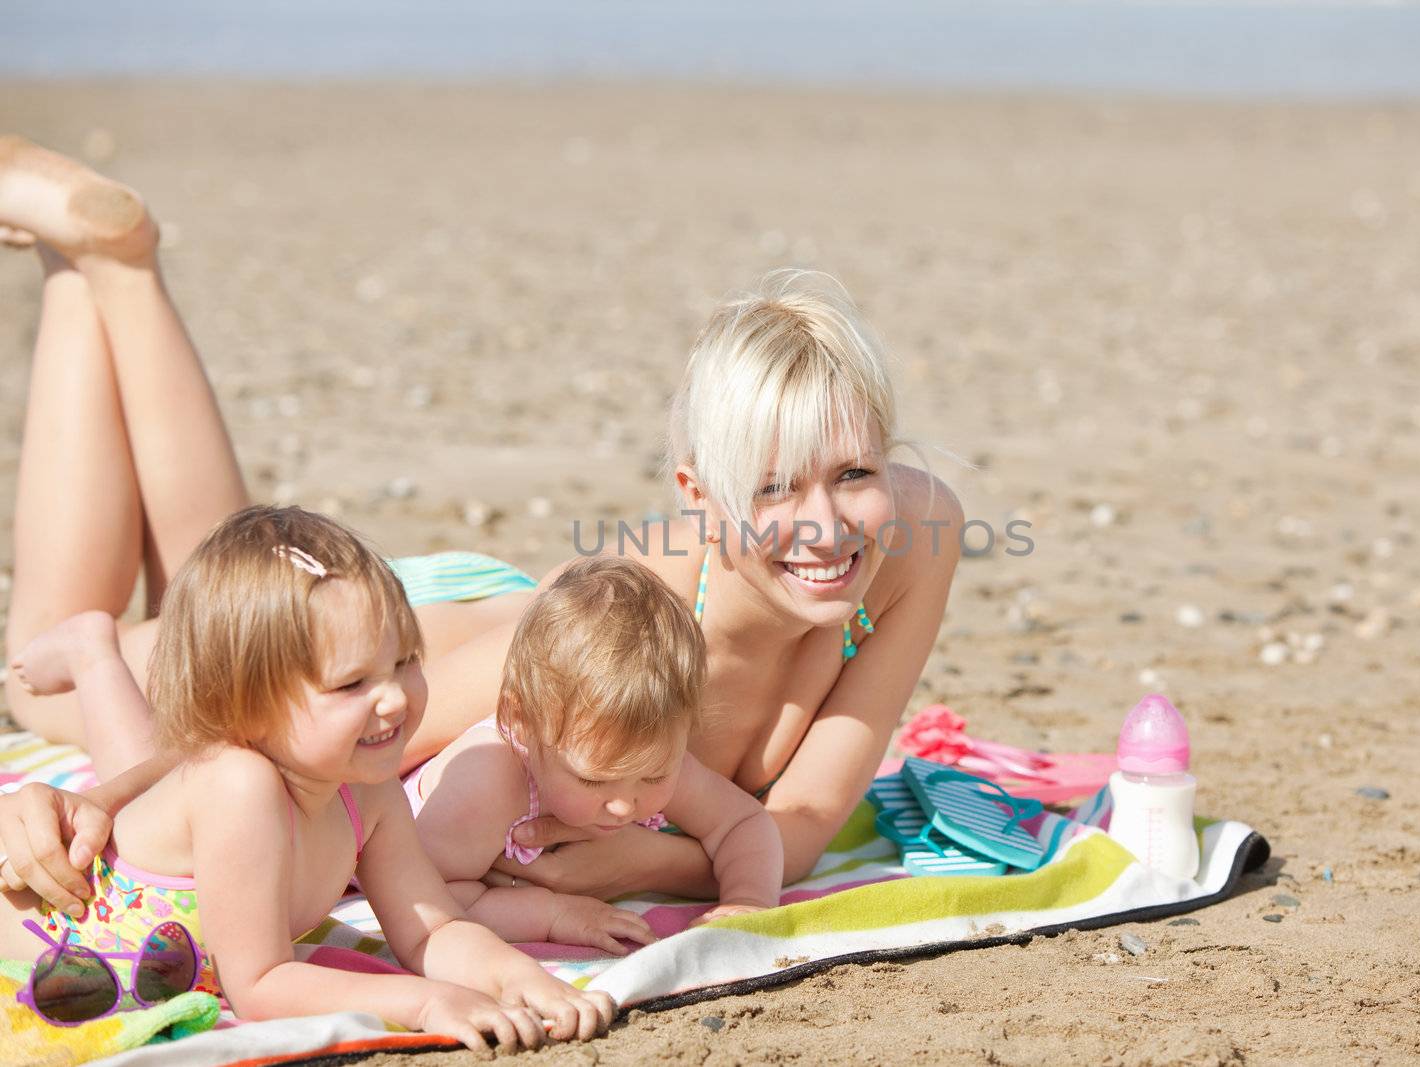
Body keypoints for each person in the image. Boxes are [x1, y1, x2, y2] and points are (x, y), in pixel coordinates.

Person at [0, 135, 962, 909]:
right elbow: (344, 728)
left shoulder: (919, 537)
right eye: (773, 490)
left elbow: (804, 818)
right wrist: (103, 796)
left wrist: (646, 866)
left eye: (855, 472)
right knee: (41, 674)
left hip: (492, 621)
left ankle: (98, 271)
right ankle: (106, 277)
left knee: (212, 566)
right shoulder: (639, 601)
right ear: (699, 496)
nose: (828, 526)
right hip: (419, 637)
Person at [1, 505, 612, 1049]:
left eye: (405, 662)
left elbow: (433, 928)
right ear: (247, 709)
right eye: (352, 684)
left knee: (148, 759)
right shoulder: (239, 785)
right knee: (156, 759)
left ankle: (94, 655)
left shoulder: (365, 789)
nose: (395, 699)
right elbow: (259, 986)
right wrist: (424, 1001)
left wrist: (519, 978)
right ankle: (94, 654)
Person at [407, 556, 782, 945]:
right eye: (592, 779)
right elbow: (422, 898)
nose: (623, 805)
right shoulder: (484, 782)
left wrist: (748, 900)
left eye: (653, 776)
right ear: (521, 722)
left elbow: (743, 823)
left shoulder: (642, 754)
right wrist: (552, 914)